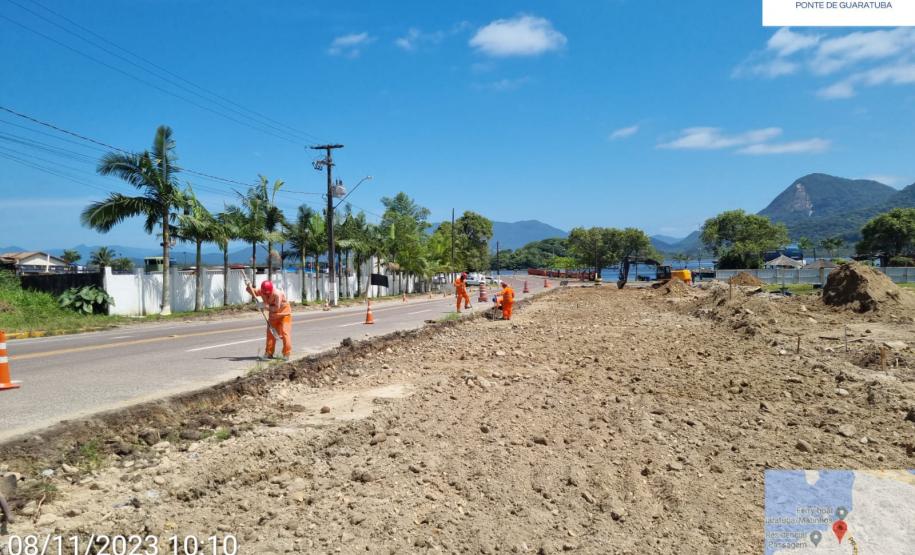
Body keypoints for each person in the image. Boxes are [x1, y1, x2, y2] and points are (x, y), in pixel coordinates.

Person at [246, 280, 292, 361]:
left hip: (284, 314)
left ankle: (286, 354)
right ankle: (269, 353)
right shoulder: (262, 291)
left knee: (285, 333)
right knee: (270, 334)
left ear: (271, 290)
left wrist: (264, 306)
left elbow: (276, 308)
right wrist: (248, 286)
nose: (267, 294)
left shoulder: (278, 294)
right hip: (273, 316)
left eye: (268, 293)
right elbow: (251, 291)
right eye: (265, 293)